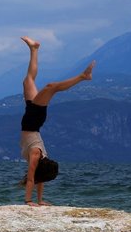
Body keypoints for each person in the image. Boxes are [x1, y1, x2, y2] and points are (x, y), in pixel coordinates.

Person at [20, 36, 95, 206]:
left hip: (31, 121)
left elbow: (33, 177)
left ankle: (34, 49)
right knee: (51, 87)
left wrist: (31, 201)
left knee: (28, 81)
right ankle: (83, 76)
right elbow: (35, 178)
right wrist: (34, 200)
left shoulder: (36, 156)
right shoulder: (38, 154)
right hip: (33, 121)